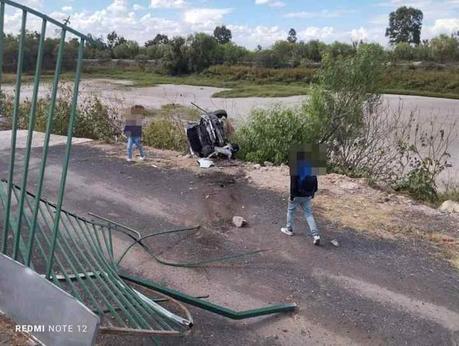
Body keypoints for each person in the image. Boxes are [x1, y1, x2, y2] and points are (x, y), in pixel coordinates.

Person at [281, 150, 320, 245]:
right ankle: (316, 235)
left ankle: (289, 229)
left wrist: (292, 196)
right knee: (309, 214)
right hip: (307, 195)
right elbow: (315, 181)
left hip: (297, 194)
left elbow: (293, 183)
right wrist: (312, 193)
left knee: (291, 211)